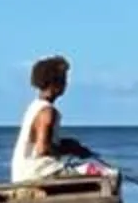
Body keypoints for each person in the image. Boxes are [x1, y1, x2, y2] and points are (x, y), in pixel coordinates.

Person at [10, 55, 113, 186]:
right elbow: (43, 149)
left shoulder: (34, 107)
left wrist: (66, 144)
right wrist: (68, 150)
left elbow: (40, 143)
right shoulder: (47, 112)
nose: (66, 84)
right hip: (39, 174)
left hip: (25, 174)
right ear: (54, 83)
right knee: (109, 174)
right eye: (64, 80)